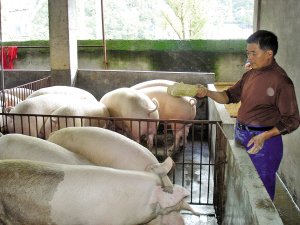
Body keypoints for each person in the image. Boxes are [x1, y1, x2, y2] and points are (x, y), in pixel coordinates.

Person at [196, 30, 300, 201]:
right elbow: (228, 96)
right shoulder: (250, 75)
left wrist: (264, 136)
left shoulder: (281, 81)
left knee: (261, 191)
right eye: (248, 53)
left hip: (263, 143)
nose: (249, 58)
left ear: (269, 54)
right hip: (242, 135)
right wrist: (207, 92)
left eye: (254, 53)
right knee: (243, 183)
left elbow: (293, 119)